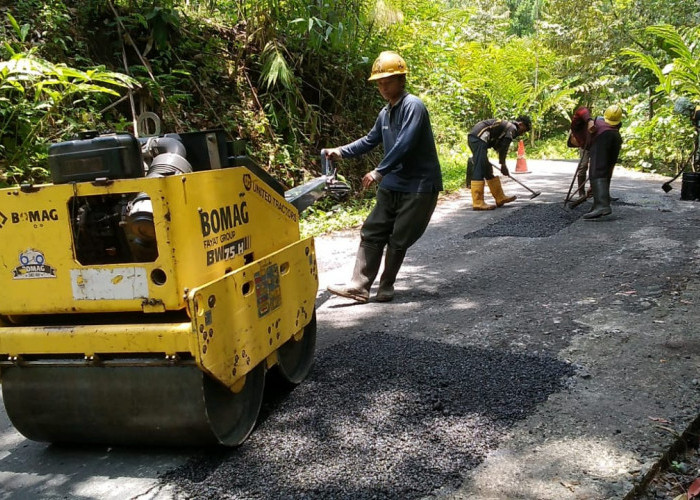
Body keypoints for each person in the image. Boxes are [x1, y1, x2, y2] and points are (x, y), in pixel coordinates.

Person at [323, 51, 443, 304]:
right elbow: (370, 140)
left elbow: (405, 144)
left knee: (399, 237)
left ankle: (386, 286)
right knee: (373, 231)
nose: (383, 87)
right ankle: (359, 286)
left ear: (401, 79)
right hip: (393, 184)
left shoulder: (414, 106)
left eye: (387, 81)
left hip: (419, 185)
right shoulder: (385, 113)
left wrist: (379, 171)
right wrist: (341, 152)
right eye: (379, 83)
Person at [467, 116, 531, 210]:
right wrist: (503, 164)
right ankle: (478, 202)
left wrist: (502, 162)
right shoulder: (512, 128)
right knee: (479, 168)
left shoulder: (506, 127)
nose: (522, 134)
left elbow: (498, 145)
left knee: (487, 169)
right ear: (520, 124)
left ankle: (499, 197)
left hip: (478, 139)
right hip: (478, 139)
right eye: (523, 130)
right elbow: (504, 148)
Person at [582, 104, 623, 220]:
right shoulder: (618, 124)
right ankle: (598, 203)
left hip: (603, 139)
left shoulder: (597, 121)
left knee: (596, 170)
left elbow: (582, 110)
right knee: (606, 171)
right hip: (616, 139)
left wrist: (589, 121)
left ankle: (602, 206)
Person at [567, 106, 596, 199]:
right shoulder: (581, 141)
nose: (577, 144)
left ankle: (596, 190)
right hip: (587, 147)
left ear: (572, 136)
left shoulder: (575, 126)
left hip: (596, 143)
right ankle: (581, 193)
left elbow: (582, 110)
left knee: (595, 167)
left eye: (573, 143)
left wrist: (589, 120)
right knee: (583, 166)